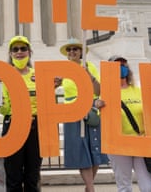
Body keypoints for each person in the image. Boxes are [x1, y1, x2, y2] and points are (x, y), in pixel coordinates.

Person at [54, 38, 109, 192]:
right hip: (72, 110)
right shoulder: (63, 69)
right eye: (69, 50)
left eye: (75, 49)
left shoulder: (89, 66)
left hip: (91, 108)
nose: (72, 52)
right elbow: (51, 86)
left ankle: (89, 186)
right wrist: (55, 83)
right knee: (81, 149)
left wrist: (89, 75)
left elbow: (98, 91)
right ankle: (91, 188)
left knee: (95, 149)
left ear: (81, 52)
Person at [0, 35, 43, 192]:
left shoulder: (39, 76)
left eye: (23, 48)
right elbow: (5, 109)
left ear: (29, 52)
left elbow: (44, 103)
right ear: (10, 54)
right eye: (15, 49)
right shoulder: (4, 77)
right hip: (13, 126)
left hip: (35, 128)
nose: (19, 52)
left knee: (32, 176)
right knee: (13, 176)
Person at [107, 55, 151, 192]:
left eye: (124, 65)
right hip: (119, 144)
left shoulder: (138, 91)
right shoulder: (107, 94)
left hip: (141, 141)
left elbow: (150, 110)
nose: (121, 68)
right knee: (124, 186)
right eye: (117, 65)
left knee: (148, 186)